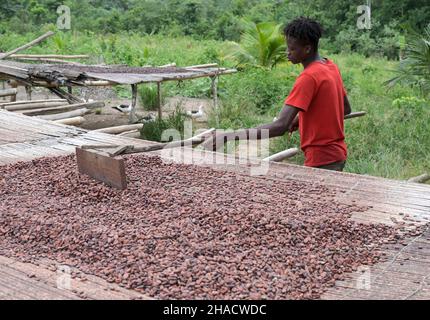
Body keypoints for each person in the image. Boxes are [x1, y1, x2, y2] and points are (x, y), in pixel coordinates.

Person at [204, 17, 352, 172]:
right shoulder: (330, 66)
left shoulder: (309, 77)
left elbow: (280, 126)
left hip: (322, 159)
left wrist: (228, 136)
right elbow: (345, 109)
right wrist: (300, 119)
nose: (287, 53)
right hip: (337, 155)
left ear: (307, 49)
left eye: (292, 49)